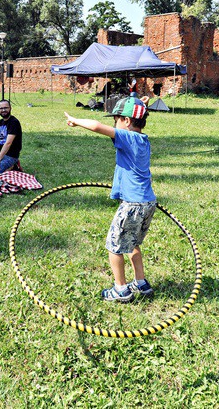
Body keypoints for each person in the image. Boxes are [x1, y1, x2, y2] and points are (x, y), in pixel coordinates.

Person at [64, 93, 157, 303]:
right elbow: (135, 115)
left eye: (116, 120)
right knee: (132, 243)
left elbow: (97, 126)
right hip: (148, 202)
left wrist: (76, 121)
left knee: (114, 246)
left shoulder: (127, 137)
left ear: (127, 121)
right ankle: (141, 283)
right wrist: (141, 104)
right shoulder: (143, 140)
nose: (115, 124)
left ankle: (121, 290)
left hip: (132, 204)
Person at [0, 99, 22, 173]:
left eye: (6, 108)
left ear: (10, 108)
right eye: (1, 108)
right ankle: (8, 168)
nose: (3, 110)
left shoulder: (14, 122)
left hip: (10, 156)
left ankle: (13, 166)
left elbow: (8, 143)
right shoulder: (0, 122)